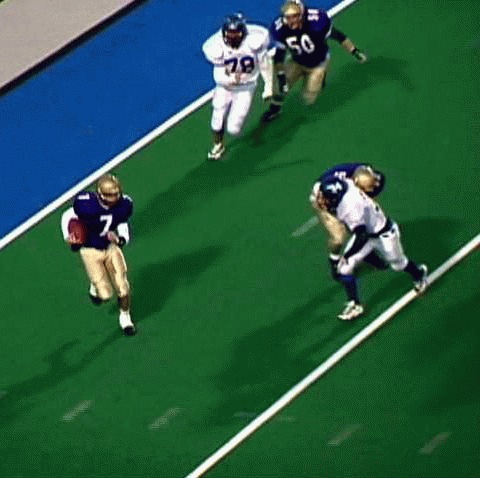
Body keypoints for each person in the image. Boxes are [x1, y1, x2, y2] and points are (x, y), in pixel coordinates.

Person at [312, 175, 428, 321]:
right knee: (343, 269)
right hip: (367, 233)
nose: (322, 200)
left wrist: (347, 255)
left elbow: (362, 236)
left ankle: (419, 273)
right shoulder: (345, 185)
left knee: (398, 264)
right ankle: (355, 304)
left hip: (383, 234)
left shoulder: (350, 207)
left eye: (325, 198)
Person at [262, 0, 367, 122]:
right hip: (297, 61)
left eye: (294, 16)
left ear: (302, 14)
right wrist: (281, 77)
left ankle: (321, 77)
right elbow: (279, 55)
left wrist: (354, 51)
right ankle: (274, 110)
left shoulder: (316, 23)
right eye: (288, 17)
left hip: (318, 63)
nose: (291, 21)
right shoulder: (280, 29)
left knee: (308, 98)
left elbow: (338, 36)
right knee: (279, 89)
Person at [61, 174, 136, 336]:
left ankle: (125, 317)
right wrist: (69, 235)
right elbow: (68, 216)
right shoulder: (86, 204)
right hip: (90, 249)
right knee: (105, 295)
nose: (115, 198)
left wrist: (120, 239)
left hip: (110, 247)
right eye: (111, 195)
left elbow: (123, 222)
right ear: (101, 195)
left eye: (116, 194)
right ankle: (95, 287)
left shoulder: (124, 205)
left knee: (123, 286)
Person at [202, 12, 273, 160]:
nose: (232, 37)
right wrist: (230, 80)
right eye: (230, 33)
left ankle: (226, 137)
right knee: (217, 117)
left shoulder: (254, 41)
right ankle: (218, 144)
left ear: (243, 32)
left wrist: (268, 86)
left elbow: (265, 64)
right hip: (225, 87)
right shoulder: (216, 46)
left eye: (236, 33)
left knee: (234, 129)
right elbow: (218, 76)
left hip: (246, 87)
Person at [310, 163, 387, 276]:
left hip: (345, 195)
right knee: (338, 238)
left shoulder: (368, 178)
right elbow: (325, 198)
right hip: (326, 198)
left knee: (365, 222)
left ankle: (368, 254)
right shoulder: (340, 186)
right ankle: (334, 261)